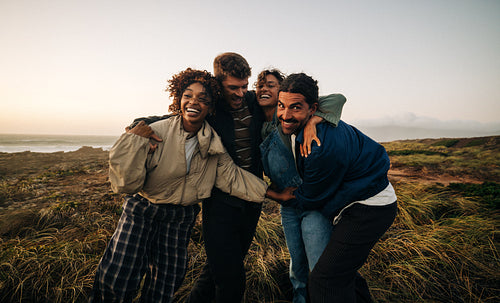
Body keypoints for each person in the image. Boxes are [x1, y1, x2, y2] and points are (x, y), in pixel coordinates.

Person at [89, 68, 281, 303]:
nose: (194, 102)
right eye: (188, 96)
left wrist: (275, 195)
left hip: (181, 218)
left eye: (203, 99)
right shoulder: (154, 132)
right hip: (142, 211)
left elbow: (232, 177)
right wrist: (135, 141)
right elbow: (124, 184)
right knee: (117, 281)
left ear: (212, 108)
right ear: (178, 99)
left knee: (165, 286)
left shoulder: (213, 143)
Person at [265, 73, 398, 302]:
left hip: (369, 208)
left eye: (295, 108)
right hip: (360, 198)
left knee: (325, 281)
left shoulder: (319, 148)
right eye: (281, 106)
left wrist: (276, 195)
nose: (285, 115)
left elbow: (313, 199)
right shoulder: (312, 123)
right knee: (339, 272)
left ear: (312, 109)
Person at [257, 69, 345, 303]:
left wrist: (314, 120)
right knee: (297, 263)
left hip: (313, 204)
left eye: (272, 85)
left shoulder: (293, 116)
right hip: (288, 206)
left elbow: (337, 99)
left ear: (282, 92)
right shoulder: (257, 121)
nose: (265, 89)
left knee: (319, 264)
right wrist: (276, 196)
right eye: (261, 85)